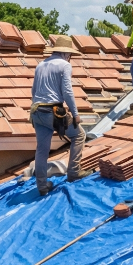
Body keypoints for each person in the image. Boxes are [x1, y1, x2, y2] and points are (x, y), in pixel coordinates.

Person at [30, 35, 87, 195]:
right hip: (52, 111)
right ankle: (74, 172)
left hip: (36, 111)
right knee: (79, 135)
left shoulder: (41, 65)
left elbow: (34, 91)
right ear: (67, 53)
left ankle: (41, 186)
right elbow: (67, 91)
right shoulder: (65, 66)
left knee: (42, 149)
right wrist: (75, 114)